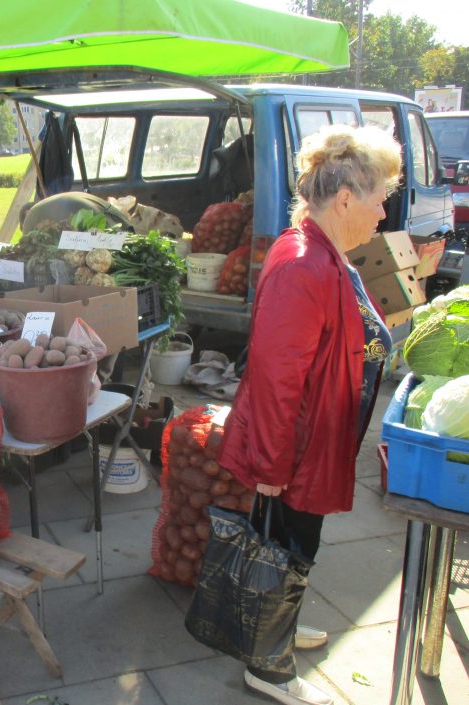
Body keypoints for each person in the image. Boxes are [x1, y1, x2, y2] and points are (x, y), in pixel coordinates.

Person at [217, 124, 401, 705]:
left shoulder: (321, 250)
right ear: (346, 198)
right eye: (380, 200)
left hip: (313, 437)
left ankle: (282, 628)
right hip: (294, 449)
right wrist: (271, 464)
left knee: (296, 546)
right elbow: (276, 378)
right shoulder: (304, 264)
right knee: (286, 549)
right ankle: (267, 667)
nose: (382, 215)